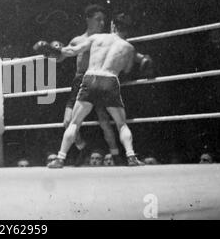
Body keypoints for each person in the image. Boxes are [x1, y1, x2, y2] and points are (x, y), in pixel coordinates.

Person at [41, 13, 145, 168]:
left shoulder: (97, 38)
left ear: (113, 25)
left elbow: (71, 51)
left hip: (90, 78)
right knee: (121, 124)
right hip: (110, 79)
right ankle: (131, 156)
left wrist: (53, 51)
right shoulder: (129, 48)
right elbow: (128, 69)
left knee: (75, 122)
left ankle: (60, 158)